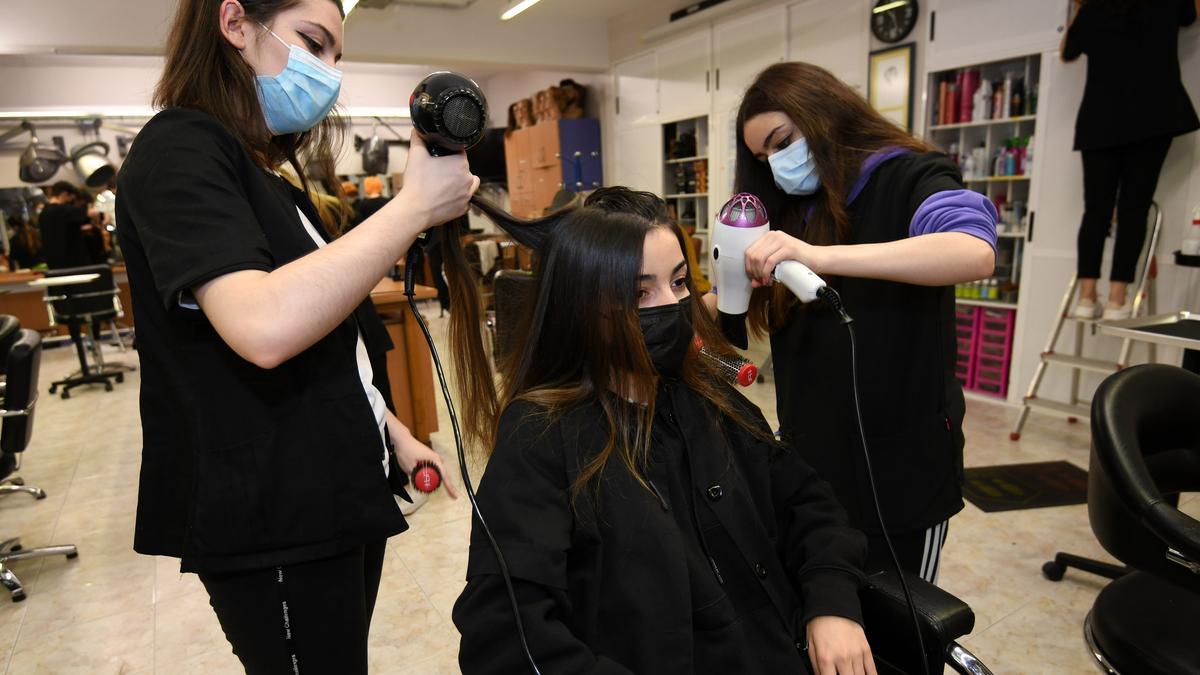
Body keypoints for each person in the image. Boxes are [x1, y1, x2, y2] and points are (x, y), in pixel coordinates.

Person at [114, 0, 474, 671]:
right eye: (314, 42)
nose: (328, 73)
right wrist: (413, 208)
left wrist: (388, 424)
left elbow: (328, 332)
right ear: (234, 23)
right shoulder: (178, 148)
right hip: (273, 510)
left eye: (337, 55)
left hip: (332, 486)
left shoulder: (269, 181)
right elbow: (262, 325)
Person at [451, 193, 876, 675]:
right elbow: (505, 636)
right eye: (639, 294)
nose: (673, 306)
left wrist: (832, 602)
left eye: (678, 282)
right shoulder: (541, 437)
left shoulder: (707, 396)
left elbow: (807, 503)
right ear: (580, 308)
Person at [733, 62, 997, 583]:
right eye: (764, 158)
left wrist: (821, 257)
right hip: (813, 461)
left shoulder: (911, 175)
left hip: (901, 466)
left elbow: (972, 252)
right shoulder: (795, 208)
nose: (777, 164)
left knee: (898, 632)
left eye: (782, 141)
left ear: (824, 113)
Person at [1062, 0, 1199, 320]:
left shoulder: (1093, 9)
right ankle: (1116, 299)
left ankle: (1086, 296)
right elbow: (1191, 15)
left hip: (1100, 121)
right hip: (1152, 117)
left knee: (1095, 210)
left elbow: (1067, 52)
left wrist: (1080, 9)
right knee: (1134, 208)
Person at [38, 181, 91, 269]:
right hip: (70, 263)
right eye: (71, 199)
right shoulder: (64, 210)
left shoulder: (43, 213)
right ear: (64, 194)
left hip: (53, 261)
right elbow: (91, 213)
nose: (70, 202)